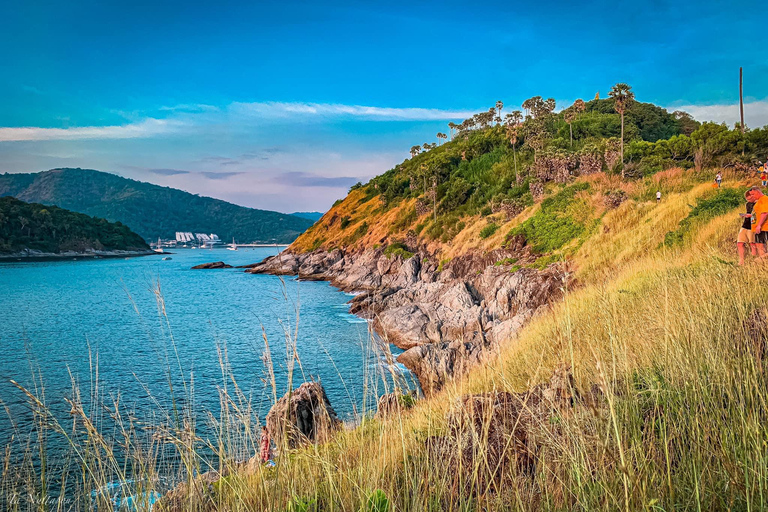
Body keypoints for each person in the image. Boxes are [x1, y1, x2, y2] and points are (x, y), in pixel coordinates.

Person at [747, 186, 768, 259]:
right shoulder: (759, 200)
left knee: (760, 245)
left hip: (763, 227)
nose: (752, 196)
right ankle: (762, 262)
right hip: (759, 227)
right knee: (760, 245)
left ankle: (760, 262)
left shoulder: (764, 199)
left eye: (753, 194)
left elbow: (765, 213)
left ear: (757, 192)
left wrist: (759, 225)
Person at [738, 195, 756, 265]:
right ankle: (741, 260)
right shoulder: (748, 204)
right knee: (740, 243)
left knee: (752, 243)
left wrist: (751, 216)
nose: (748, 200)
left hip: (753, 225)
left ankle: (753, 260)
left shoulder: (759, 203)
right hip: (745, 224)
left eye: (749, 199)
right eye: (747, 199)